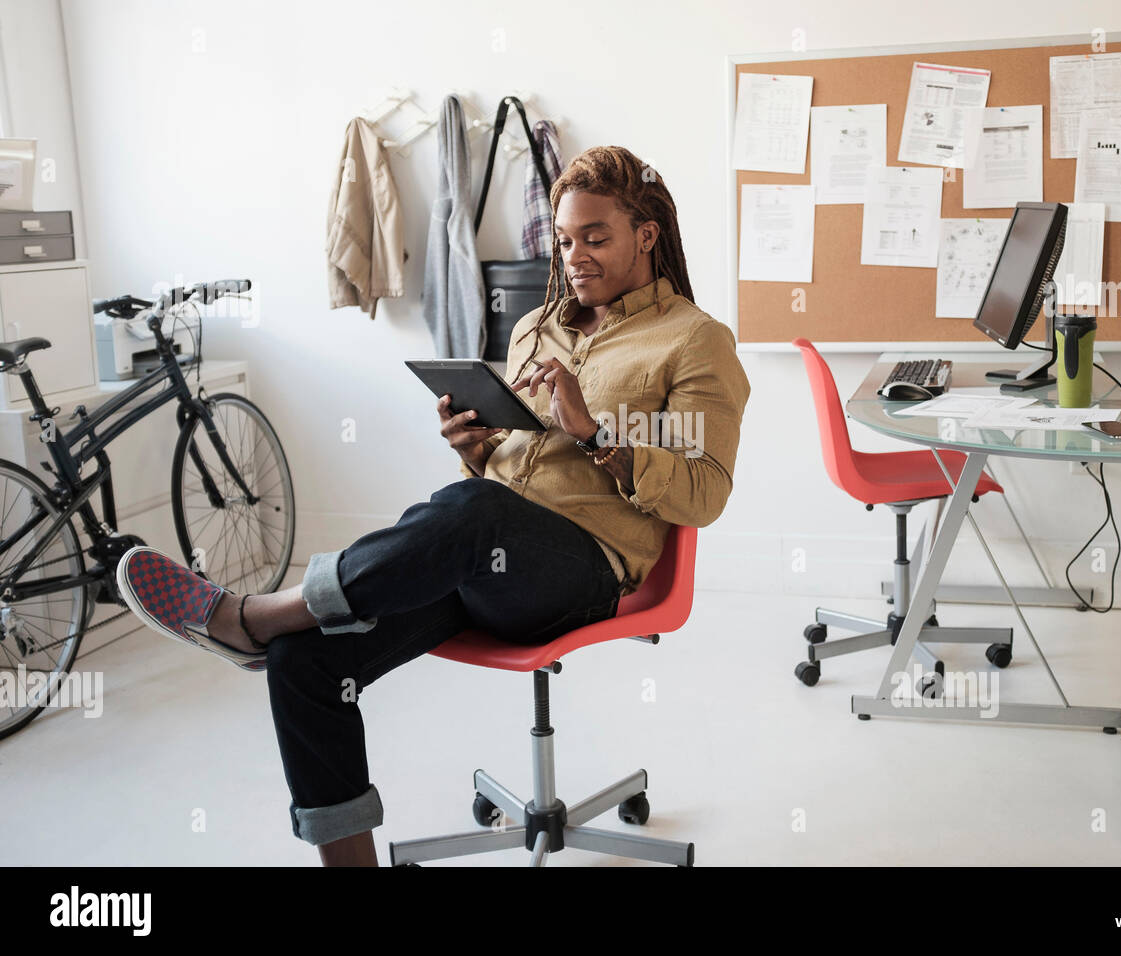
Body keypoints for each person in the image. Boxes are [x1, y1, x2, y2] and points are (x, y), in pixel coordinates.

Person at [116, 145, 751, 866]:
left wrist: (596, 431)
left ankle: (253, 616)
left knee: (473, 513)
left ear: (646, 234)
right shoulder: (534, 327)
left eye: (596, 238)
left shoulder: (694, 341)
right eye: (566, 240)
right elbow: (511, 460)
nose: (575, 257)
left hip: (582, 572)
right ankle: (296, 690)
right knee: (307, 658)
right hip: (484, 557)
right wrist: (475, 446)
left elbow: (705, 492)